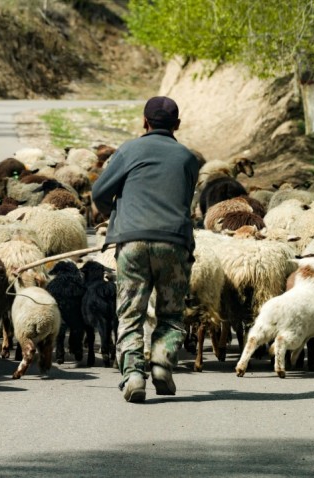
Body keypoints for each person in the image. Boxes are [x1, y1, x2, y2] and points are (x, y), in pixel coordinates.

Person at [90, 96, 199, 403]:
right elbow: (184, 199)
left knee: (129, 311)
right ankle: (162, 363)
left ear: (144, 122)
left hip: (133, 243)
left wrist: (112, 213)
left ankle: (134, 375)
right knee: (172, 312)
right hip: (174, 243)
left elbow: (99, 192)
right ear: (177, 125)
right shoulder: (188, 159)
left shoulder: (129, 150)